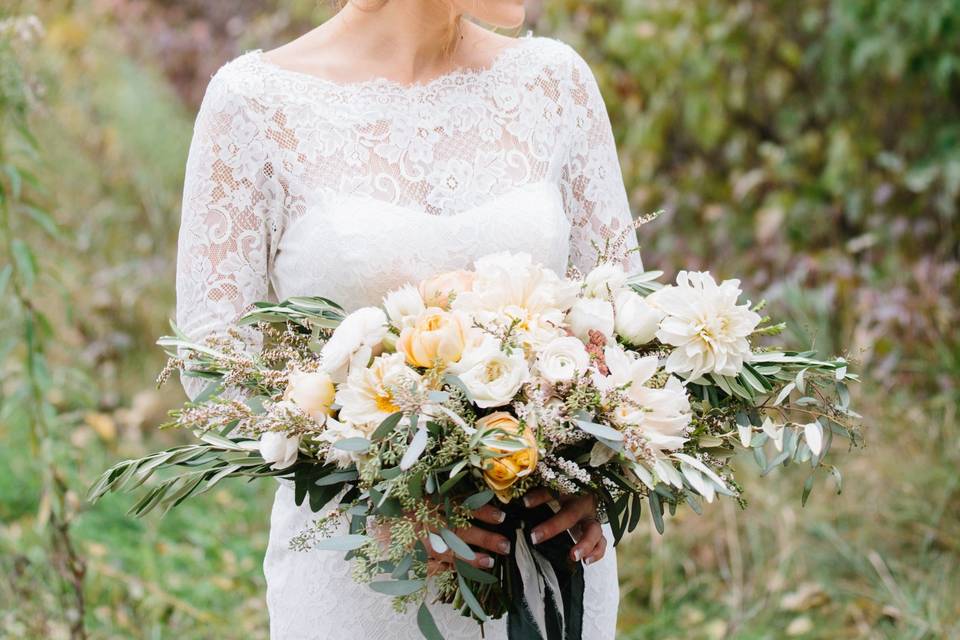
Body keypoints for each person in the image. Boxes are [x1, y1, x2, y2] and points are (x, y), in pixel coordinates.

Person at [174, 1, 641, 637]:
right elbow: (215, 369)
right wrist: (390, 489)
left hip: (547, 563)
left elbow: (623, 320)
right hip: (364, 578)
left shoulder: (556, 82)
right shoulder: (253, 104)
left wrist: (595, 468)